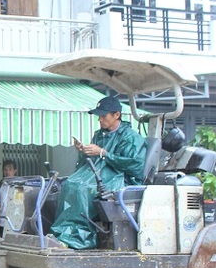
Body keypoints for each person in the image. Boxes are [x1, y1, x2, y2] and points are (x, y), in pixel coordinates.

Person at [50, 95, 147, 249]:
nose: (100, 120)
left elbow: (135, 166)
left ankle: (81, 238)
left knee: (84, 189)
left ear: (117, 115)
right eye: (99, 116)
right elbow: (90, 163)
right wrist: (84, 152)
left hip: (120, 179)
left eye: (103, 115)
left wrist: (103, 153)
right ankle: (63, 233)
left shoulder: (131, 137)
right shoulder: (99, 135)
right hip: (99, 175)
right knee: (69, 185)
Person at [0, 159, 18, 235]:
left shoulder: (19, 186)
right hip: (1, 222)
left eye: (10, 170)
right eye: (5, 170)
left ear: (15, 171)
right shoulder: (1, 185)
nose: (7, 172)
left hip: (14, 223)